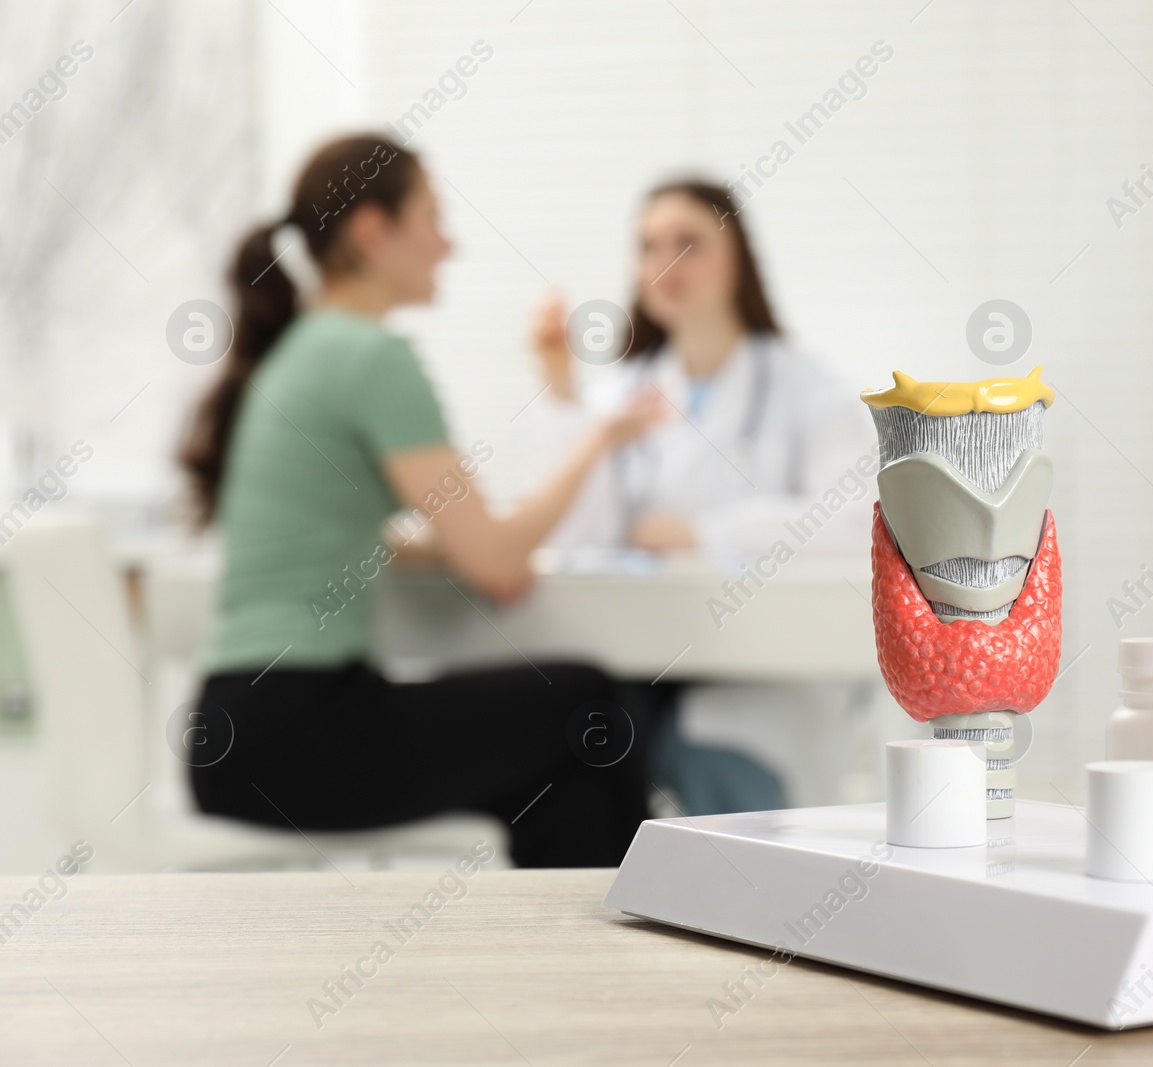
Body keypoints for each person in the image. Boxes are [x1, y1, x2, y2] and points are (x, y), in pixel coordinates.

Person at [180, 134, 661, 867]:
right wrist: (599, 440)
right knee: (587, 701)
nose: (450, 244)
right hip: (299, 726)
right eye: (433, 220)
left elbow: (329, 533)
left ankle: (580, 971)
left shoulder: (303, 351)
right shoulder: (371, 356)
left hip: (242, 734)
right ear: (374, 232)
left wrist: (447, 544)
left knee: (559, 786)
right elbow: (497, 563)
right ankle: (657, 934)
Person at [532, 180, 877, 815]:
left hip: (768, 665)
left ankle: (736, 910)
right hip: (647, 657)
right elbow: (571, 542)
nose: (663, 265)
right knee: (575, 730)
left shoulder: (809, 390)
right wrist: (561, 395)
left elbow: (859, 525)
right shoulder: (619, 395)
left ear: (738, 259)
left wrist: (707, 536)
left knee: (710, 750)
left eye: (689, 244)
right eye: (647, 247)